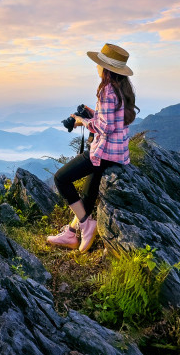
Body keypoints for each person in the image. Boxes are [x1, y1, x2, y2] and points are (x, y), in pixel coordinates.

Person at [47, 43, 138, 252]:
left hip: (104, 152)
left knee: (61, 178)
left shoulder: (106, 90)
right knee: (88, 194)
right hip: (117, 153)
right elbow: (113, 120)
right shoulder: (122, 88)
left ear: (106, 68)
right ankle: (70, 234)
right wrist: (92, 112)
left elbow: (105, 127)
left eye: (99, 63)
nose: (96, 67)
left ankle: (87, 225)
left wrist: (81, 120)